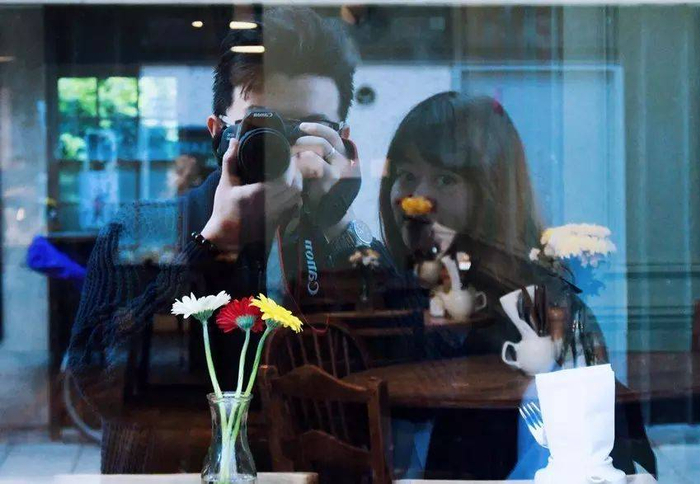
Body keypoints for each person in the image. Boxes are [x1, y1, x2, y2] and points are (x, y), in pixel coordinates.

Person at [68, 7, 370, 473]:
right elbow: (95, 384)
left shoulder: (347, 239)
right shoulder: (141, 229)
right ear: (217, 134)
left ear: (342, 142)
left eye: (306, 130)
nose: (280, 149)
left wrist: (338, 228)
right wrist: (208, 244)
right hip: (171, 470)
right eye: (262, 128)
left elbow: (403, 392)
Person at [377, 92, 654, 479]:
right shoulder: (394, 296)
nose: (417, 198)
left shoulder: (537, 307)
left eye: (445, 178)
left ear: (492, 192)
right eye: (406, 175)